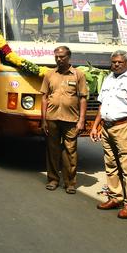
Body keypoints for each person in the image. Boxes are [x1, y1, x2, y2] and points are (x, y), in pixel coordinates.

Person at [90, 50, 127, 219]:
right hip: (107, 127)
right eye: (113, 62)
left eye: (119, 62)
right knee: (110, 164)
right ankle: (115, 197)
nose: (115, 64)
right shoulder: (109, 78)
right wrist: (95, 126)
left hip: (125, 127)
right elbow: (102, 105)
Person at [40, 46, 88, 194]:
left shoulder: (78, 75)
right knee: (52, 150)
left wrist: (81, 120)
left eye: (62, 57)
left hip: (71, 120)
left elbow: (83, 99)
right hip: (52, 118)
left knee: (70, 151)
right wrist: (43, 120)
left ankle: (70, 182)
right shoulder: (49, 75)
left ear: (69, 57)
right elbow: (44, 98)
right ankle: (53, 179)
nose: (59, 59)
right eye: (57, 57)